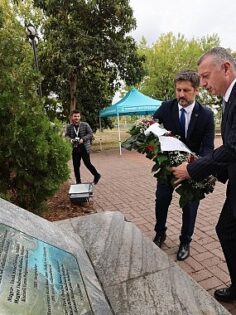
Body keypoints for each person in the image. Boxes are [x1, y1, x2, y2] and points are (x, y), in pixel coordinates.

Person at [172, 47, 236, 302]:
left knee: (227, 230)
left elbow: (233, 146)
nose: (203, 83)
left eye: (206, 76)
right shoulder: (228, 98)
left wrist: (193, 169)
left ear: (226, 69)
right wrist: (212, 174)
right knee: (226, 229)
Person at [153, 70, 215, 261]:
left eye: (186, 90)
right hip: (168, 169)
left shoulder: (206, 115)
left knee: (190, 206)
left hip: (191, 171)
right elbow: (152, 130)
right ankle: (160, 233)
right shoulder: (165, 108)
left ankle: (185, 241)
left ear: (196, 90)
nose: (181, 94)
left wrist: (194, 167)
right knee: (161, 200)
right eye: (178, 90)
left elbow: (208, 148)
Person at [65, 110, 101, 185]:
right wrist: (71, 140)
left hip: (84, 147)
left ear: (80, 117)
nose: (76, 118)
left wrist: (83, 139)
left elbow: (90, 134)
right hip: (75, 148)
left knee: (88, 164)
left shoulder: (85, 125)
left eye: (78, 116)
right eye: (75, 116)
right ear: (72, 117)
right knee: (76, 165)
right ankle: (78, 181)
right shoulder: (69, 127)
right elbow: (66, 136)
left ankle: (97, 175)